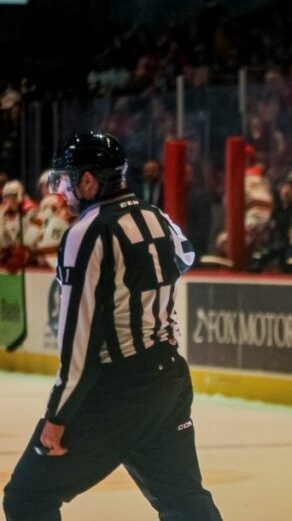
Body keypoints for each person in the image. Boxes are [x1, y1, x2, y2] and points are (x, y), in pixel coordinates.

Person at [2, 132, 221, 520]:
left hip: (117, 391)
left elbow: (79, 340)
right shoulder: (155, 217)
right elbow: (185, 255)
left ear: (88, 181)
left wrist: (57, 416)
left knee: (26, 498)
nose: (61, 192)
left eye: (67, 180)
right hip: (168, 381)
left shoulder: (86, 232)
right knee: (185, 503)